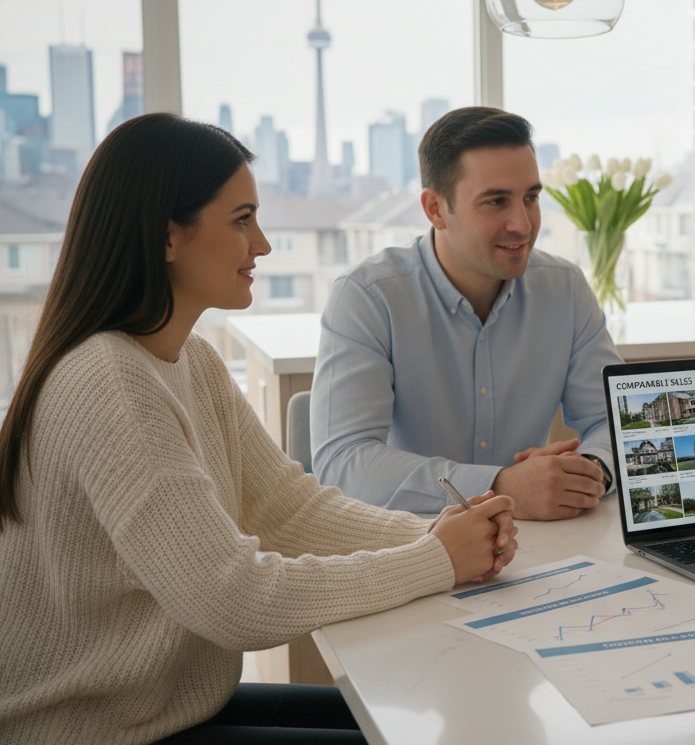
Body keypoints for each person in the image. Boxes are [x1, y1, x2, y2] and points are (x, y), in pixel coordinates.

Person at [0, 113, 517, 744]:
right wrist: (435, 560)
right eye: (241, 220)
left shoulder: (189, 359)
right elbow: (234, 599)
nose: (263, 243)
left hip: (165, 707)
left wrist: (433, 534)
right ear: (167, 236)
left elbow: (288, 510)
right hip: (94, 732)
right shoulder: (108, 383)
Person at [310, 106, 622, 520]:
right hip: (415, 548)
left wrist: (590, 473)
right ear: (435, 209)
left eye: (530, 198)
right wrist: (499, 486)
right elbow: (343, 463)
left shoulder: (564, 288)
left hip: (540, 543)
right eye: (496, 201)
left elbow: (617, 423)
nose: (523, 224)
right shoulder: (368, 297)